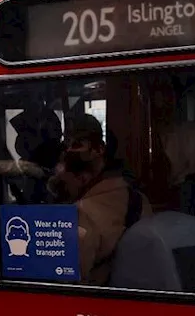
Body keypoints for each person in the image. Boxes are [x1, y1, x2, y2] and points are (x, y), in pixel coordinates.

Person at [49, 115, 152, 285]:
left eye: (77, 143)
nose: (70, 149)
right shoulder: (138, 198)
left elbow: (70, 281)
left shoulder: (82, 214)